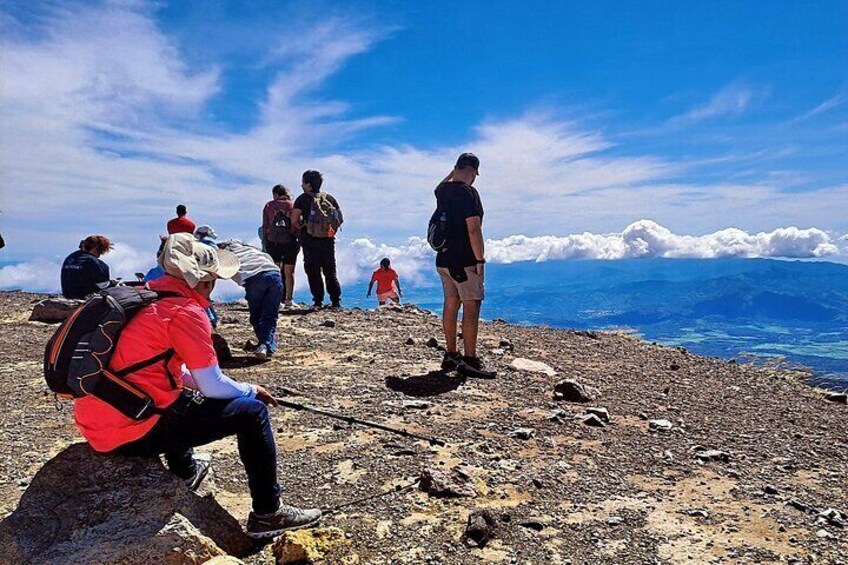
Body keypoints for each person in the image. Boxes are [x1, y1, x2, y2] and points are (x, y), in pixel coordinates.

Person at [73, 233, 321, 538]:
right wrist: (250, 389)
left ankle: (185, 471)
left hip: (96, 420)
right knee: (252, 413)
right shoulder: (185, 312)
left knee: (179, 391)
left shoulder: (144, 298)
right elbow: (212, 385)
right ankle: (268, 513)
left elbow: (175, 374)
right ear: (204, 280)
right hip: (130, 429)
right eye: (213, 278)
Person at [433, 153, 496, 379]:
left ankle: (451, 354)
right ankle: (470, 360)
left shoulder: (443, 191)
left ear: (456, 168)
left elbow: (441, 183)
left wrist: (454, 172)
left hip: (443, 259)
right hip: (464, 260)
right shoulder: (469, 194)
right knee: (471, 306)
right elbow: (473, 229)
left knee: (451, 302)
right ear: (472, 172)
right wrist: (479, 260)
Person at [217, 238, 283, 360]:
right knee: (270, 315)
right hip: (275, 275)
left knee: (256, 316)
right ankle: (265, 345)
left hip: (254, 278)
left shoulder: (229, 257)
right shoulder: (254, 251)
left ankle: (265, 345)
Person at [290, 170, 343, 309]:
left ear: (308, 185)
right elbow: (340, 219)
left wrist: (302, 225)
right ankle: (336, 301)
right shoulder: (330, 199)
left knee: (313, 270)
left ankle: (318, 301)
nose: (301, 185)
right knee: (330, 271)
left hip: (309, 239)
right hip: (328, 240)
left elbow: (294, 220)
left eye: (303, 182)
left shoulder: (302, 199)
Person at [262, 185, 300, 307]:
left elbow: (265, 225)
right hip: (290, 241)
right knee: (289, 272)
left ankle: (276, 299)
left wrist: (265, 241)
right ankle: (289, 299)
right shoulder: (292, 205)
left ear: (275, 194)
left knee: (275, 271)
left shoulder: (269, 206)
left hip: (273, 242)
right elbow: (296, 224)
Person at [61, 235, 114, 299]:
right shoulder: (97, 263)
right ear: (96, 248)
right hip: (87, 299)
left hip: (68, 296)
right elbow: (103, 286)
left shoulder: (70, 258)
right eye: (101, 250)